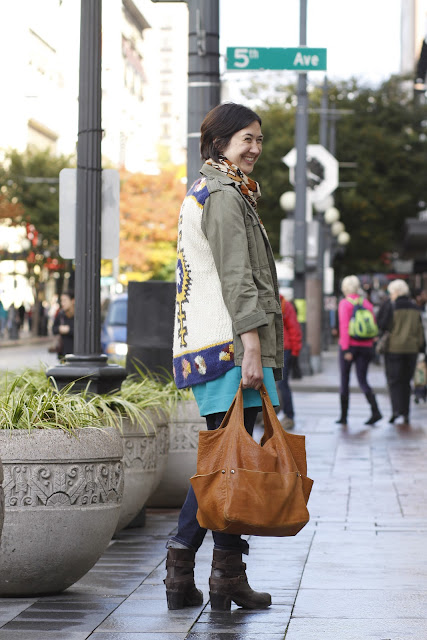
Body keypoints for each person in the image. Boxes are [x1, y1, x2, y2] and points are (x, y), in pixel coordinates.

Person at [169, 103, 283, 612]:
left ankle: (220, 576)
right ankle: (198, 570)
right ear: (218, 144)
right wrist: (253, 347)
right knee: (225, 465)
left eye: (259, 139)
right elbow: (238, 277)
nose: (255, 148)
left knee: (227, 461)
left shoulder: (220, 190)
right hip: (230, 348)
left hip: (218, 345)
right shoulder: (221, 195)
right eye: (246, 139)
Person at [377, 279, 425, 426]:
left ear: (396, 292)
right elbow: (420, 330)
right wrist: (422, 348)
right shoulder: (415, 307)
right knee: (406, 381)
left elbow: (381, 324)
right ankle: (406, 413)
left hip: (394, 349)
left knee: (394, 380)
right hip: (411, 349)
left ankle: (395, 410)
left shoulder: (391, 305)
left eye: (391, 292)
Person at [336, 275, 382, 426]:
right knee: (363, 379)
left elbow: (344, 327)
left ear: (344, 288)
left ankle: (344, 416)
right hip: (366, 346)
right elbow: (373, 324)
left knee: (345, 380)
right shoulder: (366, 303)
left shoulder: (344, 303)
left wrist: (346, 349)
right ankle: (376, 411)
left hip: (350, 346)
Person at [276, 294, 302, 429]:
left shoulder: (285, 304)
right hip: (271, 349)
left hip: (284, 349)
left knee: (282, 384)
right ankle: (268, 416)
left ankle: (289, 416)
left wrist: (295, 351)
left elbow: (294, 328)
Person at [52, 291, 75, 358]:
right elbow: (54, 329)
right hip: (63, 354)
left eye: (65, 300)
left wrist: (69, 330)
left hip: (76, 353)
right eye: (61, 301)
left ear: (73, 301)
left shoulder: (79, 315)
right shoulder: (61, 314)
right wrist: (59, 328)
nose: (62, 303)